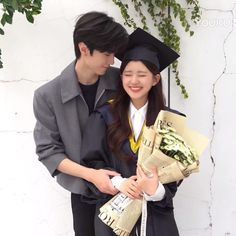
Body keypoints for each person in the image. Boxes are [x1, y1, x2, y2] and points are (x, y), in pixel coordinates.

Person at [33, 11, 128, 236]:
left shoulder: (121, 80)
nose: (112, 60)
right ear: (84, 49)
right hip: (84, 191)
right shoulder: (48, 95)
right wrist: (92, 175)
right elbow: (48, 151)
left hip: (127, 187)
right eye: (106, 53)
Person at [80, 28, 183, 235]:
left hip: (156, 216)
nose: (134, 81)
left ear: (155, 80)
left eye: (142, 75)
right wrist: (120, 183)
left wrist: (155, 189)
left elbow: (176, 173)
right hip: (113, 215)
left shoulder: (170, 121)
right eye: (127, 74)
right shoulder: (102, 116)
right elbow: (92, 163)